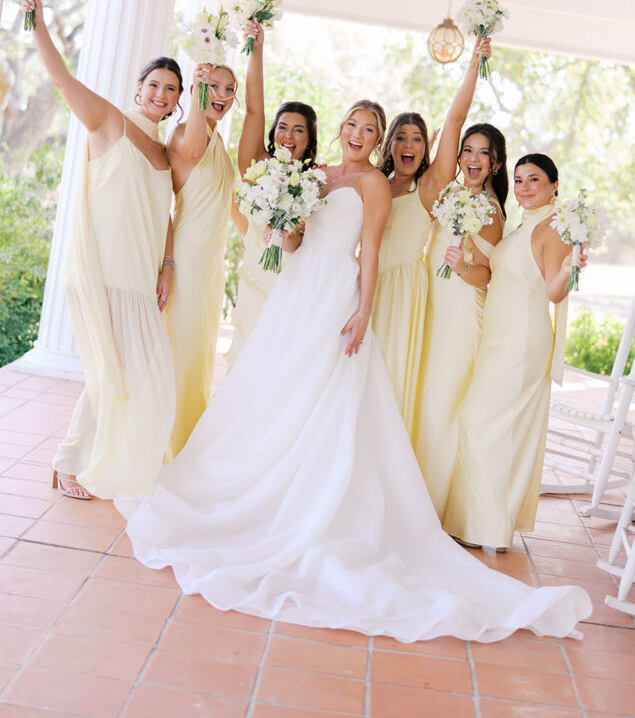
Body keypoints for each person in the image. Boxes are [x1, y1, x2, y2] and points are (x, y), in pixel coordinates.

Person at [116, 103, 591, 643]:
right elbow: (294, 241)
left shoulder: (374, 185)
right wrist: (282, 223)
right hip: (299, 287)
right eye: (353, 126)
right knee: (275, 385)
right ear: (340, 130)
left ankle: (308, 497)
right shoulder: (315, 175)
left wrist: (364, 310)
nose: (359, 135)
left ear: (376, 140)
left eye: (370, 130)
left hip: (338, 290)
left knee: (324, 391)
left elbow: (370, 252)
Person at [23, 0, 181, 500]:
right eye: (154, 84)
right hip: (108, 272)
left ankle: (100, 460)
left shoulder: (163, 151)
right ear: (139, 89)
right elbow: (63, 80)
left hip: (141, 277)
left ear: (178, 100)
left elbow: (164, 211)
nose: (161, 93)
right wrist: (39, 23)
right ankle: (69, 462)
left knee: (144, 379)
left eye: (171, 89)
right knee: (112, 373)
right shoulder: (111, 122)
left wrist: (167, 263)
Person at [444, 153, 583, 550]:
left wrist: (570, 270)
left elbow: (554, 292)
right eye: (519, 179)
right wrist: (461, 266)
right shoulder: (526, 224)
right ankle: (480, 523)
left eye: (534, 179)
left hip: (521, 341)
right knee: (485, 424)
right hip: (499, 338)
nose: (523, 187)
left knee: (485, 422)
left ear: (554, 185)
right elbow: (496, 277)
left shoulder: (553, 228)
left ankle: (488, 528)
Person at [372, 36, 492, 440]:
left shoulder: (428, 186)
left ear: (427, 147)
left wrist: (473, 64)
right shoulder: (374, 183)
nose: (409, 144)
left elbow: (455, 120)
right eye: (401, 136)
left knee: (387, 376)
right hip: (364, 283)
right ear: (389, 143)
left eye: (417, 138)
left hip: (403, 289)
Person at [413, 120, 507, 520]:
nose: (473, 159)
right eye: (468, 150)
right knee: (422, 399)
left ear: (495, 164)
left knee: (441, 407)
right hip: (432, 305)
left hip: (461, 314)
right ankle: (408, 491)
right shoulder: (451, 192)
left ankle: (430, 505)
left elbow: (485, 275)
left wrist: (462, 266)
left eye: (483, 153)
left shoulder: (489, 210)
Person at [226, 21, 318, 367]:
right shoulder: (257, 165)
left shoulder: (314, 183)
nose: (288, 136)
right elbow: (254, 109)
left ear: (309, 139)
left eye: (298, 130)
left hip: (293, 283)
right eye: (282, 127)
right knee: (246, 355)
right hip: (254, 274)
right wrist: (257, 50)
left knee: (279, 362)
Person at [163, 62, 237, 456]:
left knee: (197, 354)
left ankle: (186, 446)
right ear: (196, 90)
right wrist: (198, 89)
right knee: (179, 350)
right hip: (188, 259)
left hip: (211, 264)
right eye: (213, 86)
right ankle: (164, 444)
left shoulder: (217, 138)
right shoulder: (185, 133)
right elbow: (193, 152)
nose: (222, 95)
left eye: (230, 88)